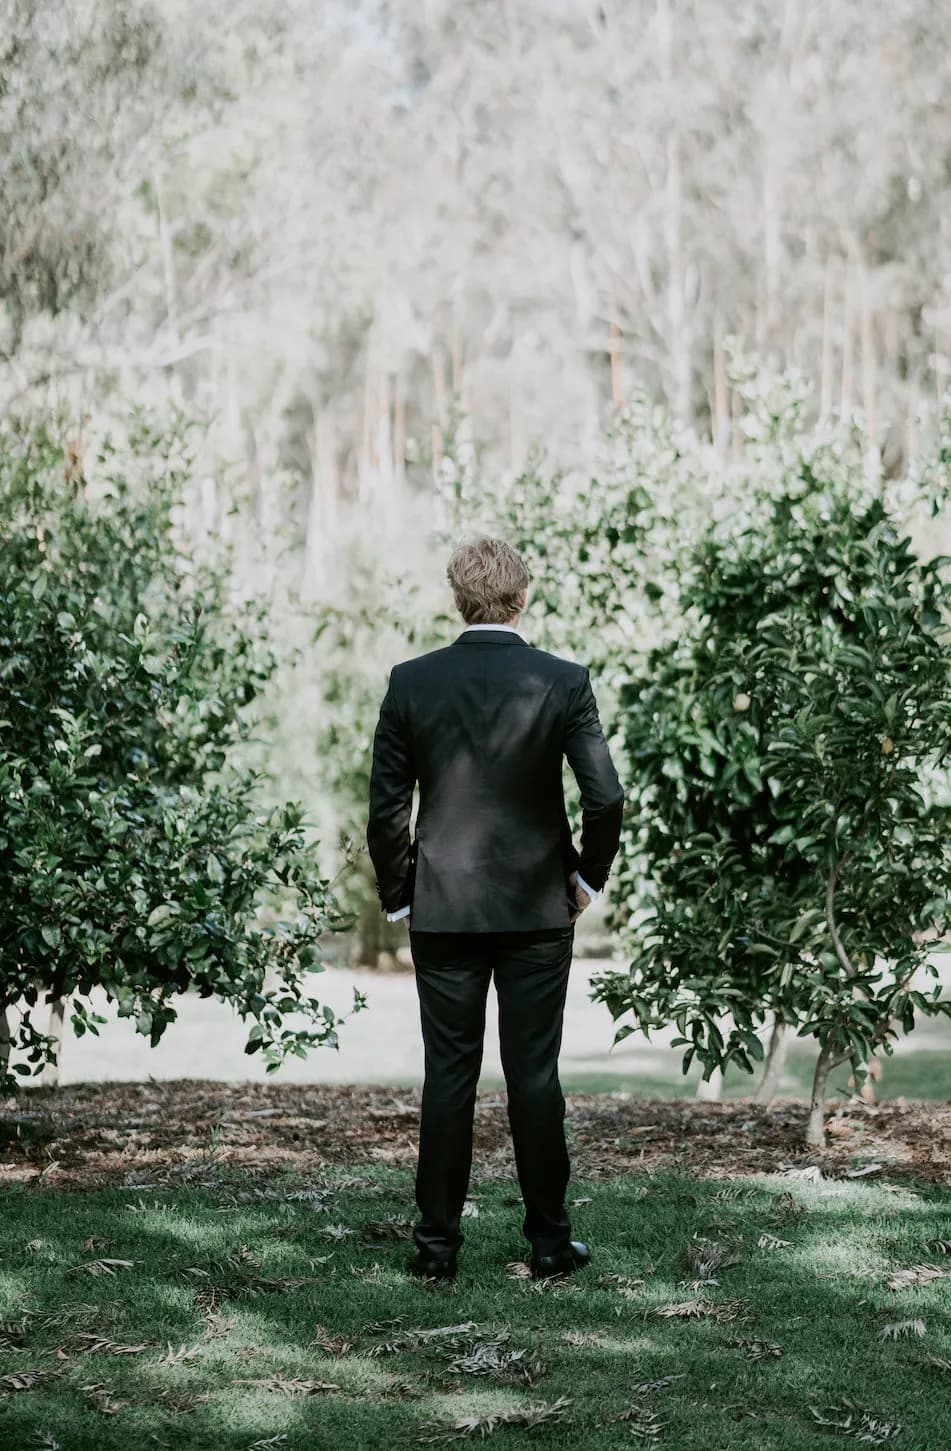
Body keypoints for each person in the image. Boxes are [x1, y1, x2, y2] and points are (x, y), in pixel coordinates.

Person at [366, 537, 624, 1281]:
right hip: (539, 908)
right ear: (523, 597)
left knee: (448, 1076)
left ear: (457, 597)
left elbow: (387, 807)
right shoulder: (562, 680)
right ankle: (548, 1243)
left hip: (442, 910)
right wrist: (587, 880)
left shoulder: (411, 682)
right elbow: (604, 796)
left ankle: (435, 1251)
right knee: (533, 1075)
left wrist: (398, 890)